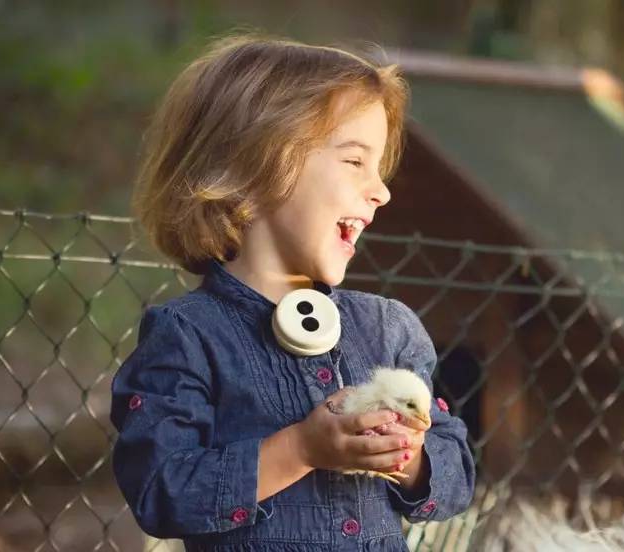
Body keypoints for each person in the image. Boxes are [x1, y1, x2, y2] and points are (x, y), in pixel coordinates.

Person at [110, 31, 475, 551]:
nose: (382, 190)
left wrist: (407, 457)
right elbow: (161, 492)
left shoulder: (387, 329)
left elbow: (456, 475)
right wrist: (301, 449)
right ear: (251, 166)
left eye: (380, 168)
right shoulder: (189, 337)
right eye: (354, 161)